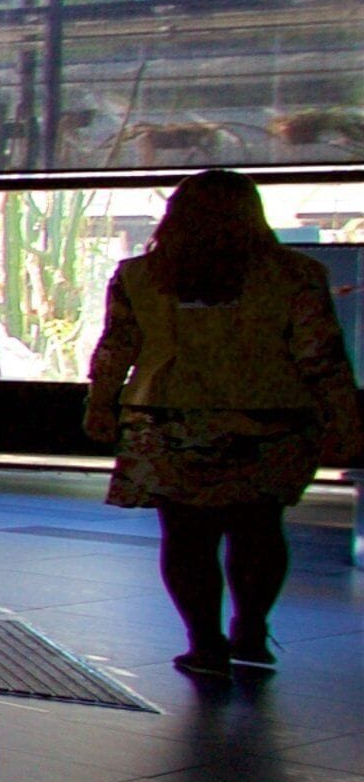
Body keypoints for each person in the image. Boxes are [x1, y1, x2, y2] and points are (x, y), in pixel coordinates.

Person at [84, 169, 364, 677]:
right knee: (258, 527)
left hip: (166, 419)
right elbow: (321, 356)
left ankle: (204, 642)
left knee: (185, 536)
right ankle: (251, 630)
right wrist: (344, 420)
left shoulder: (139, 276)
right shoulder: (296, 274)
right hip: (270, 418)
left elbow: (116, 349)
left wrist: (100, 405)